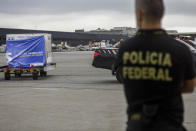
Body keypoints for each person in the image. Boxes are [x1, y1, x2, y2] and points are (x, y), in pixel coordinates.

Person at [116, 0, 196, 130]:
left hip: (137, 124)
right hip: (170, 124)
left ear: (139, 15)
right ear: (162, 14)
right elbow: (190, 86)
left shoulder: (126, 49)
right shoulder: (180, 49)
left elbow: (127, 81)